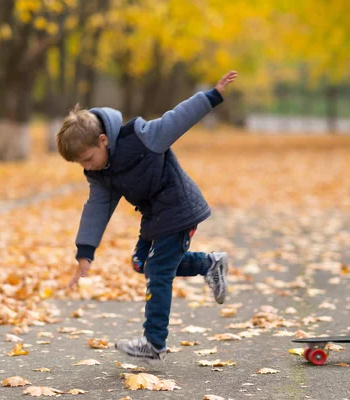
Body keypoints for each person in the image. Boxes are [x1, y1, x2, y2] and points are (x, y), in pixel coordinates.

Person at [56, 70, 239, 365]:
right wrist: (85, 252)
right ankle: (209, 264)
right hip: (155, 216)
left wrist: (212, 95)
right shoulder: (99, 173)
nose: (87, 167)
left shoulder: (142, 137)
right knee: (142, 264)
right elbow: (96, 208)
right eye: (81, 164)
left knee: (157, 269)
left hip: (178, 207)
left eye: (88, 159)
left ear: (103, 140)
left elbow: (176, 119)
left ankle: (154, 342)